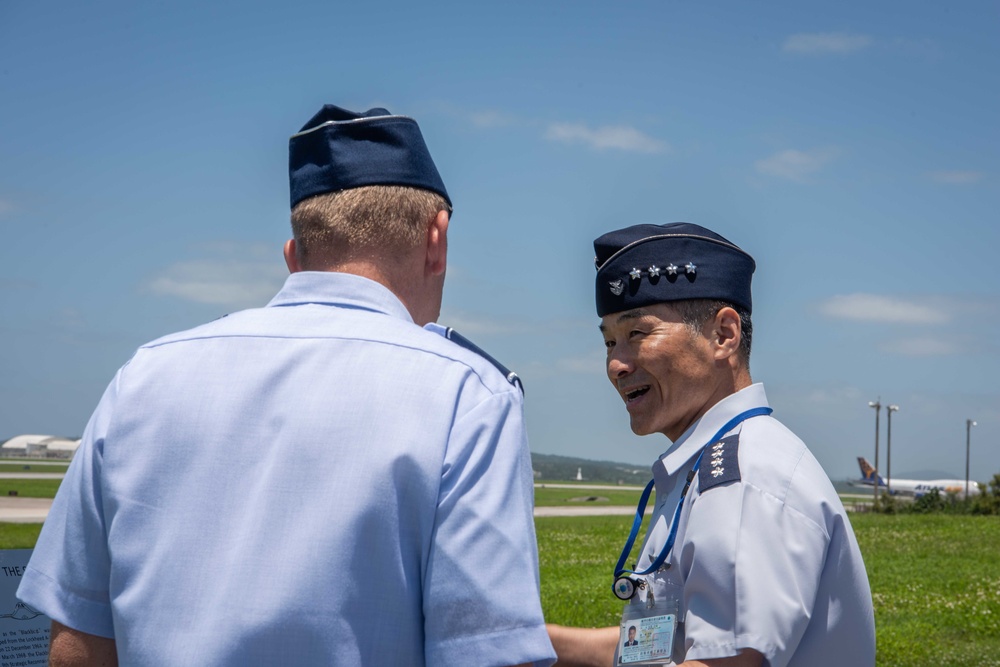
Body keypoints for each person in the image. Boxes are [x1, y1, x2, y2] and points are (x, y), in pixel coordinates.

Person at [17, 104, 556, 667]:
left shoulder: (142, 376)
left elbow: (79, 641)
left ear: (294, 255)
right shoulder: (468, 395)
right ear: (436, 239)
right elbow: (489, 654)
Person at [546, 223, 875, 667]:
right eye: (608, 342)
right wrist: (526, 644)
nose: (616, 365)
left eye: (637, 334)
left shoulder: (742, 480)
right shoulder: (706, 467)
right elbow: (663, 649)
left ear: (724, 335)